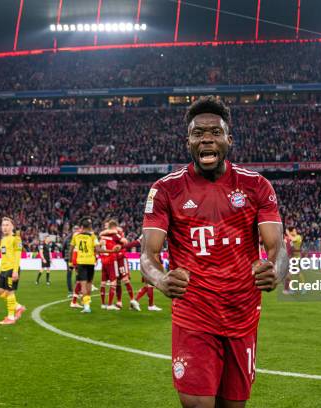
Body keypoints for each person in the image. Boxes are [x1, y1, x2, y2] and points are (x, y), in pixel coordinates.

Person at [140, 96, 289, 407]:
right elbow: (147, 255)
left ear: (228, 140)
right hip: (194, 313)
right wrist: (160, 279)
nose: (206, 138)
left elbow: (277, 247)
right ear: (188, 142)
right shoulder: (166, 189)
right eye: (198, 133)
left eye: (215, 132)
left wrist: (276, 270)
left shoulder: (257, 186)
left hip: (242, 314)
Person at [70, 217, 109, 313]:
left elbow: (71, 249)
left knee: (82, 285)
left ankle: (86, 306)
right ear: (90, 226)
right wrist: (112, 251)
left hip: (81, 262)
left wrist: (71, 262)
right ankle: (87, 304)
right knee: (89, 284)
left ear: (82, 226)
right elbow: (99, 250)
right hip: (91, 262)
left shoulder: (76, 236)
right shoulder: (93, 236)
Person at [0, 217, 26, 325]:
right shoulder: (3, 240)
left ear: (12, 226)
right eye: (3, 225)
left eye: (7, 225)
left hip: (12, 269)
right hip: (3, 269)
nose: (5, 227)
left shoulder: (16, 238)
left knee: (9, 292)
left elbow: (18, 255)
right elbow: (3, 257)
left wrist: (15, 271)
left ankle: (11, 318)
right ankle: (18, 307)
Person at [98, 220, 123, 310]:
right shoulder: (114, 235)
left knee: (103, 283)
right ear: (114, 227)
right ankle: (110, 305)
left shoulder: (102, 236)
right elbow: (124, 241)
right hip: (112, 260)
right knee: (113, 282)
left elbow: (98, 248)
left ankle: (102, 304)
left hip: (103, 261)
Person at [62, 226, 80, 297]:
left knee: (73, 275)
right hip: (72, 259)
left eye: (77, 230)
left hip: (73, 258)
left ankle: (73, 291)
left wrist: (64, 257)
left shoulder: (67, 238)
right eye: (75, 230)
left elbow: (63, 249)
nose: (76, 231)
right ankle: (72, 291)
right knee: (74, 274)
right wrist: (65, 257)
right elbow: (63, 249)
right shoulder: (78, 238)